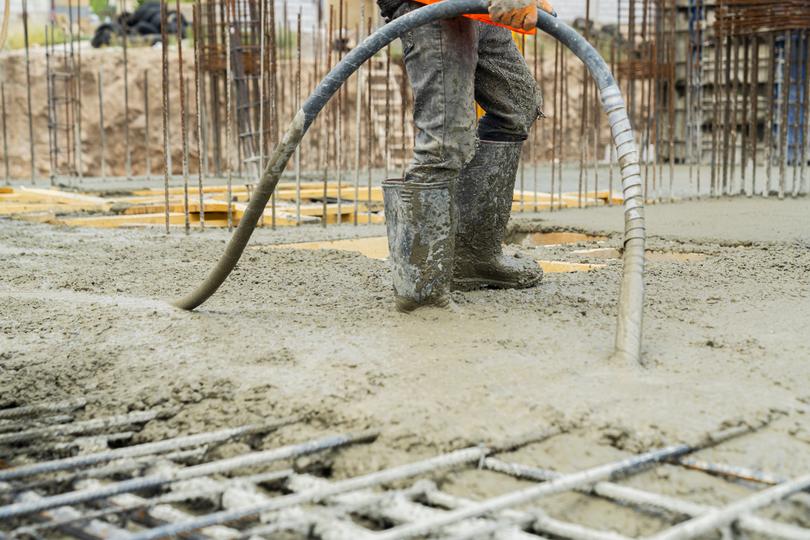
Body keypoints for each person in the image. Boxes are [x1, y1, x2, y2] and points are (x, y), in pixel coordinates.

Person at [378, 0, 556, 312]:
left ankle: (473, 257)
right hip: (432, 4)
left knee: (515, 105)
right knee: (445, 139)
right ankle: (421, 291)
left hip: (478, 9)